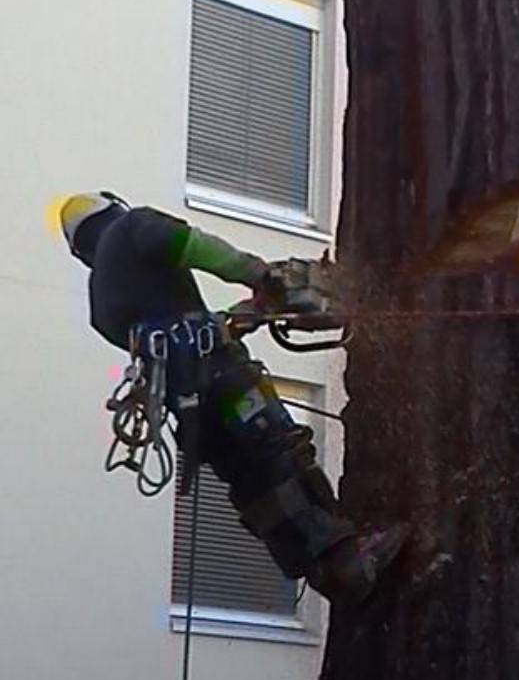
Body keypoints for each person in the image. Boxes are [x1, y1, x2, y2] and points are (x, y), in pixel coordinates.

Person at [60, 191, 405, 604]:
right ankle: (348, 555)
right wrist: (261, 275)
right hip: (224, 380)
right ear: (113, 207)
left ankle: (324, 572)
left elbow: (178, 336)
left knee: (251, 484)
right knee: (280, 454)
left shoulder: (101, 301)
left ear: (80, 249)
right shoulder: (132, 228)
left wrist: (246, 314)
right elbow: (199, 248)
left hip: (189, 413)